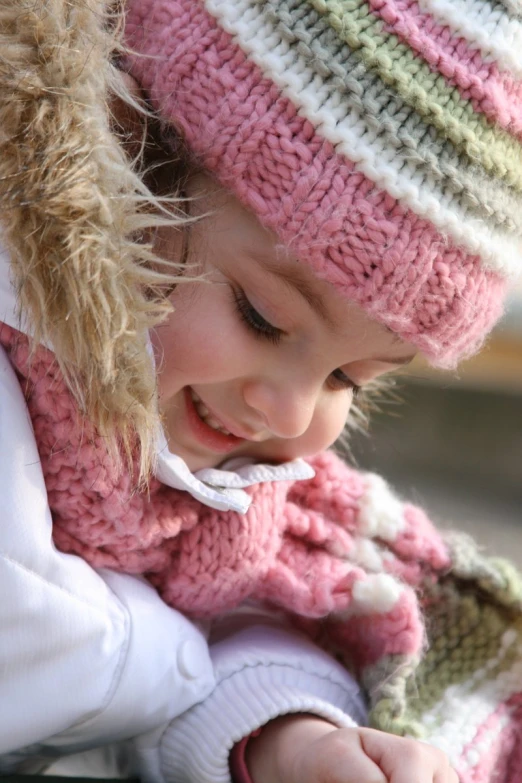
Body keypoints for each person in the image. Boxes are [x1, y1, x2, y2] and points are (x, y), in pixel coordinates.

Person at [1, 0, 521, 782]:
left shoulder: (214, 493)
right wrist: (174, 664)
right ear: (120, 161)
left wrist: (288, 734)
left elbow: (236, 607)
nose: (290, 411)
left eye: (346, 378)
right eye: (264, 318)